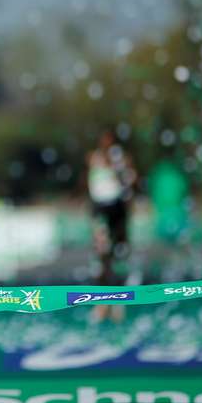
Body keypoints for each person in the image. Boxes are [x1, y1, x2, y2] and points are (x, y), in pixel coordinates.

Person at [86, 128, 137, 323]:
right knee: (101, 255)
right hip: (100, 209)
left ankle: (118, 302)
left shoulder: (121, 157)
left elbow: (130, 180)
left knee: (120, 254)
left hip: (116, 209)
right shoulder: (94, 157)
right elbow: (89, 182)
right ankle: (102, 302)